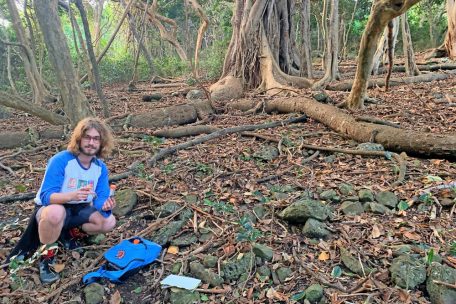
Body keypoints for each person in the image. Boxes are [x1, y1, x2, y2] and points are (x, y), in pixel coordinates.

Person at [33, 117, 117, 284]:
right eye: (87, 137)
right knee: (56, 212)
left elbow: (100, 197)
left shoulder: (100, 167)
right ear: (79, 138)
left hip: (77, 209)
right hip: (50, 209)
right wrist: (70, 196)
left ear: (101, 143)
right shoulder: (61, 160)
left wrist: (106, 205)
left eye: (96, 139)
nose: (91, 142)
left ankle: (67, 236)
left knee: (108, 221)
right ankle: (46, 259)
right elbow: (46, 196)